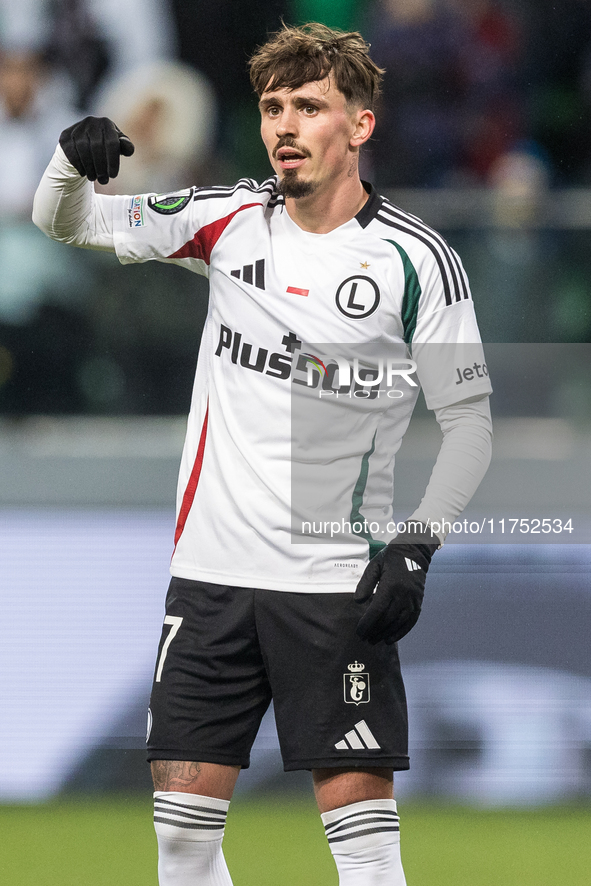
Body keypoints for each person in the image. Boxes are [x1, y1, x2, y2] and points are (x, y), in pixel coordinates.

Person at [33, 22, 492, 886]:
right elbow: (65, 222)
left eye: (308, 106)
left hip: (333, 588)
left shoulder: (417, 262)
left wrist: (418, 546)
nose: (284, 124)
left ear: (358, 125)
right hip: (209, 581)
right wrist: (70, 161)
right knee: (180, 840)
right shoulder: (227, 220)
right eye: (272, 107)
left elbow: (469, 421)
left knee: (362, 851)